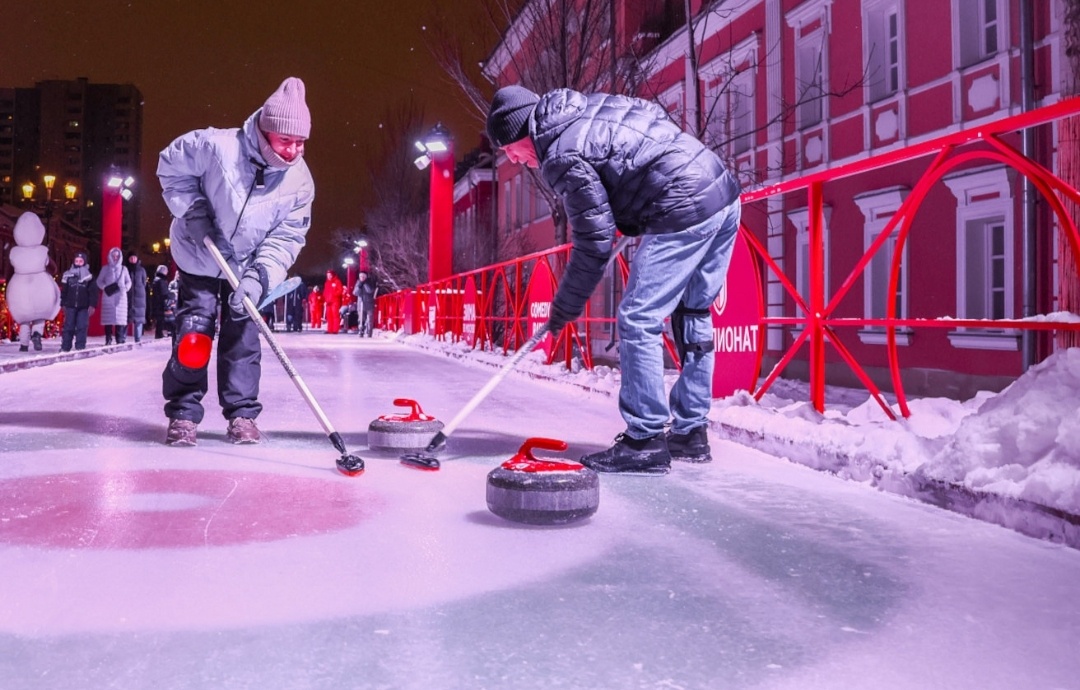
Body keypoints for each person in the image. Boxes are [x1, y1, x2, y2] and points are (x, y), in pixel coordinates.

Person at [486, 86, 742, 475]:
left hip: (682, 205)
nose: (512, 157)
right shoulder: (586, 108)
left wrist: (566, 306)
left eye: (508, 146)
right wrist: (635, 204)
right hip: (721, 190)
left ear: (522, 130)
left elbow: (593, 243)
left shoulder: (560, 152)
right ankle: (690, 432)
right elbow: (650, 119)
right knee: (693, 311)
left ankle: (645, 440)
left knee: (638, 317)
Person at [157, 76, 314, 446]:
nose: (293, 151)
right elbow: (170, 168)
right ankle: (182, 412)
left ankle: (242, 413)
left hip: (246, 269)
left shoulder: (300, 183)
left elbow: (287, 238)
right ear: (266, 130)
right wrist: (192, 210)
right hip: (200, 255)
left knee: (243, 339)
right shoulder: (215, 145)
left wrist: (260, 278)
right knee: (193, 336)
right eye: (286, 140)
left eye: (300, 143)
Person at [5, 213, 60, 353]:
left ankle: (24, 345)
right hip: (41, 285)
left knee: (24, 318)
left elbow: (8, 272)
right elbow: (53, 269)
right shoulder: (42, 251)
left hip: (19, 287)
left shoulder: (14, 252)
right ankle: (36, 334)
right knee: (40, 314)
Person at [59, 251, 98, 352]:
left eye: (81, 261)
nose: (78, 263)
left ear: (84, 262)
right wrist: (63, 303)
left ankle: (80, 346)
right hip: (70, 305)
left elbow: (93, 292)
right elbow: (64, 291)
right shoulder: (68, 275)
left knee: (82, 326)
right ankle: (65, 346)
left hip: (83, 306)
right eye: (76, 261)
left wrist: (92, 305)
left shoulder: (89, 277)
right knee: (68, 326)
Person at [96, 246, 132, 345]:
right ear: (110, 256)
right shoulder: (105, 268)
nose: (115, 258)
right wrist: (104, 287)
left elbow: (129, 281)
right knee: (108, 318)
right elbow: (99, 281)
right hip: (108, 295)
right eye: (113, 256)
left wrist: (126, 288)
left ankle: (119, 338)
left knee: (120, 319)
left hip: (121, 296)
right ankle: (108, 338)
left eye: (117, 256)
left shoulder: (124, 269)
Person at [126, 252, 148, 343]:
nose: (133, 260)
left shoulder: (142, 270)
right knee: (126, 317)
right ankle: (122, 338)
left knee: (139, 319)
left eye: (134, 258)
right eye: (131, 258)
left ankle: (138, 338)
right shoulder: (126, 269)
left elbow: (144, 282)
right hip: (128, 295)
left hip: (140, 296)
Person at [150, 265, 174, 339]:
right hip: (160, 303)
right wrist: (172, 295)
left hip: (156, 302)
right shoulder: (161, 281)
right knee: (160, 319)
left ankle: (159, 333)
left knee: (159, 319)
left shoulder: (156, 279)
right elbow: (164, 293)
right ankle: (159, 334)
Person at [353, 269, 377, 337]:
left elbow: (370, 291)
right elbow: (355, 293)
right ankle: (361, 331)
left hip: (369, 303)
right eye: (361, 276)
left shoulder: (370, 282)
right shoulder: (358, 283)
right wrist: (359, 286)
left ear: (366, 277)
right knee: (361, 319)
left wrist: (365, 284)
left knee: (370, 319)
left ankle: (369, 333)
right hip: (361, 304)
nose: (362, 278)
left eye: (363, 276)